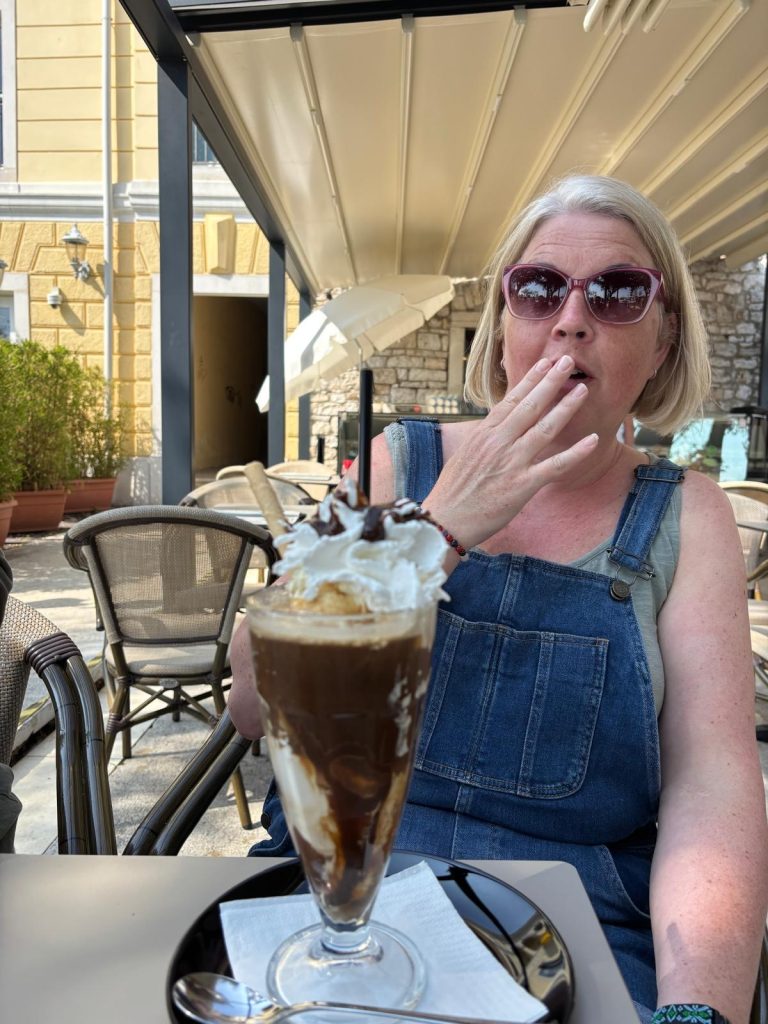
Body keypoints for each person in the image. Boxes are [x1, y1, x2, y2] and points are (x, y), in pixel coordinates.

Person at [229, 175, 768, 1024]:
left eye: (621, 292)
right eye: (539, 287)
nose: (573, 315)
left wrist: (698, 1006)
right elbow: (257, 706)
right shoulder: (395, 468)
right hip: (343, 889)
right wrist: (434, 530)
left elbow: (712, 785)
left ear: (664, 341)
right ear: (505, 325)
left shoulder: (685, 515)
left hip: (584, 917)